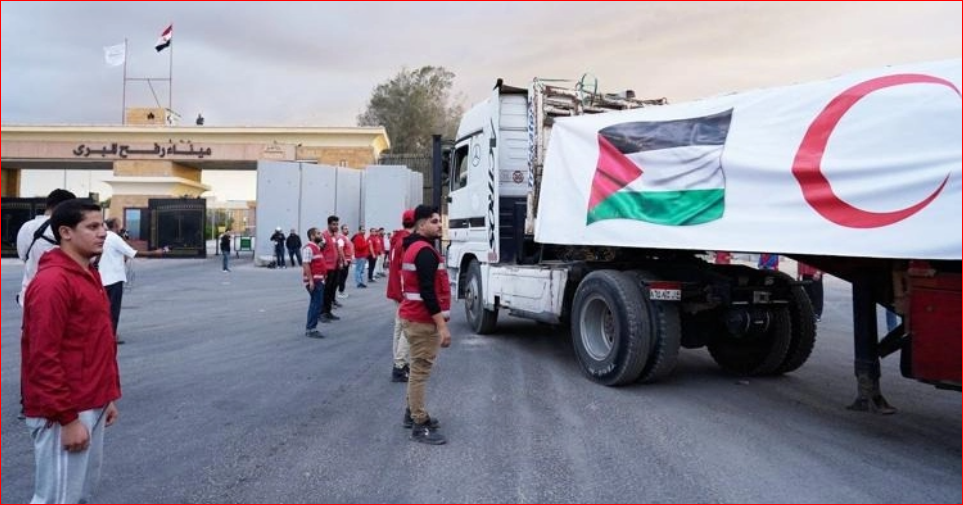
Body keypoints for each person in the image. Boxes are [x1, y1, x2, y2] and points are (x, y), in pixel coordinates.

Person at [21, 199, 121, 504]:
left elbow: (98, 341)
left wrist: (107, 397)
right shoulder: (53, 282)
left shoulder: (88, 274)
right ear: (65, 232)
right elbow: (42, 356)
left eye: (102, 225)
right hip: (64, 410)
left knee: (78, 496)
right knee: (55, 498)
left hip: (91, 401)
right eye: (92, 227)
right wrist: (66, 418)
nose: (102, 233)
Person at [399, 205, 451, 445]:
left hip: (414, 317)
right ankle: (419, 425)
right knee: (419, 372)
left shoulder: (414, 247)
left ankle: (412, 414)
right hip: (421, 320)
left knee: (416, 370)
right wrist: (442, 326)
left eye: (439, 221)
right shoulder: (425, 253)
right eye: (434, 221)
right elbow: (428, 293)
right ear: (421, 225)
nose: (439, 225)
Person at [16, 188, 77, 307]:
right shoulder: (65, 228)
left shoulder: (25, 227)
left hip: (28, 293)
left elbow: (23, 256)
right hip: (58, 294)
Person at [386, 209, 415, 382]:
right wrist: (407, 293)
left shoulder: (397, 239)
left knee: (399, 327)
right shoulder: (407, 242)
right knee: (408, 328)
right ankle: (399, 364)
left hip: (396, 289)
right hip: (404, 291)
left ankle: (399, 363)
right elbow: (404, 270)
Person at [301, 227, 327, 339]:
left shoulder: (316, 247)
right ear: (312, 236)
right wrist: (311, 280)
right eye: (318, 233)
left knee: (316, 304)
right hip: (314, 281)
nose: (321, 235)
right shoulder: (309, 248)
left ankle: (311, 328)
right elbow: (306, 264)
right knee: (316, 305)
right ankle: (311, 329)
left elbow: (324, 241)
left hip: (318, 280)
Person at [320, 216, 342, 321]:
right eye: (333, 224)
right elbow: (319, 251)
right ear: (329, 224)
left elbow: (337, 250)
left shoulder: (335, 236)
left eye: (337, 224)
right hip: (327, 267)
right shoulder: (324, 236)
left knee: (332, 290)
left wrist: (340, 262)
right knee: (325, 291)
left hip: (335, 267)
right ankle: (322, 312)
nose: (336, 226)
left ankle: (328, 311)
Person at [337, 224, 354, 298]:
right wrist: (343, 260)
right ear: (342, 230)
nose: (347, 230)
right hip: (345, 260)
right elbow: (340, 250)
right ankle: (341, 292)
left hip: (348, 259)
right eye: (345, 229)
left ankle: (342, 291)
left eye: (347, 229)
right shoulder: (341, 238)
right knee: (342, 277)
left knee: (344, 276)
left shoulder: (346, 238)